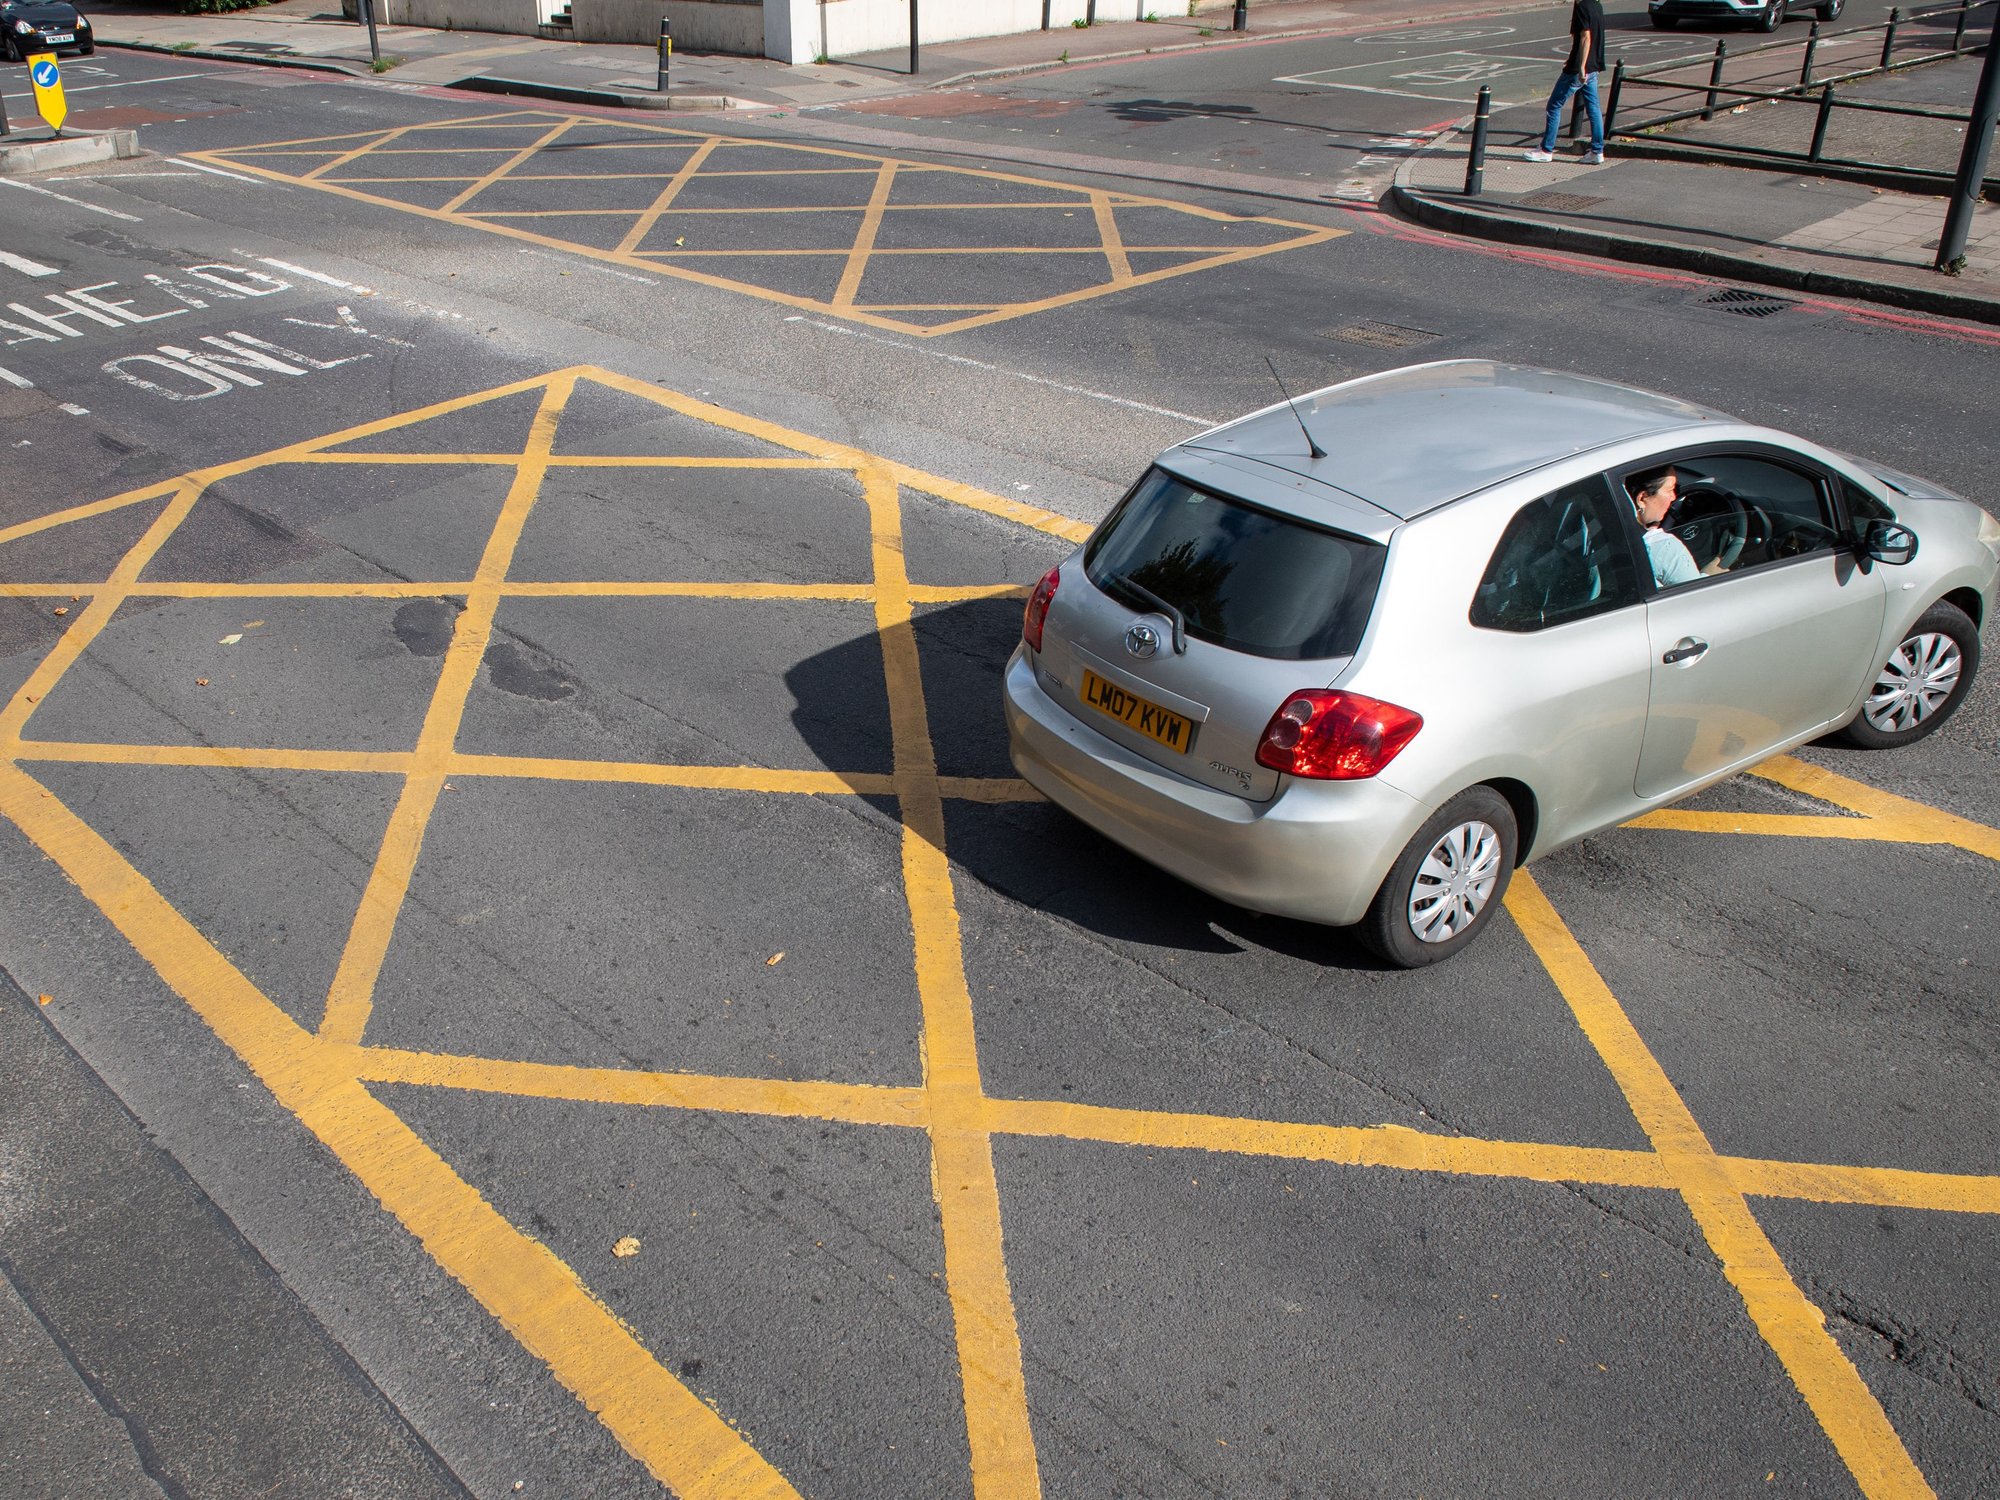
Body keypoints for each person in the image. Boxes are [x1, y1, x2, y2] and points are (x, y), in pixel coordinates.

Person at [1525, 0, 1607, 165]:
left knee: (1554, 106)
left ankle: (1546, 149)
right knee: (1594, 109)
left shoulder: (1583, 7)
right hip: (1594, 66)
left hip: (1578, 70)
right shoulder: (1597, 5)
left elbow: (1586, 37)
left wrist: (1580, 67)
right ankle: (1597, 151)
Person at [1628, 466, 1699, 588]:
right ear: (1642, 498)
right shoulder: (1662, 546)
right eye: (1670, 490)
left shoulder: (1596, 526)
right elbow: (1698, 593)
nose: (1674, 497)